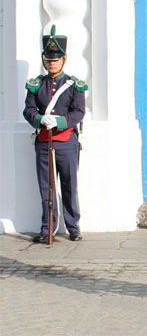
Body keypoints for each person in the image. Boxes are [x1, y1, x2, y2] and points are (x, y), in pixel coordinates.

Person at [23, 25, 87, 243]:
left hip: (66, 142)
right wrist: (39, 119)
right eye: (49, 59)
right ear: (44, 60)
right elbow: (28, 109)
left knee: (69, 185)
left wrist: (60, 121)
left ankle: (73, 226)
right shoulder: (36, 85)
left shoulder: (73, 86)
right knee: (46, 187)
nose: (52, 62)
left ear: (64, 59)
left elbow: (79, 112)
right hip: (43, 142)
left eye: (56, 58)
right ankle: (47, 227)